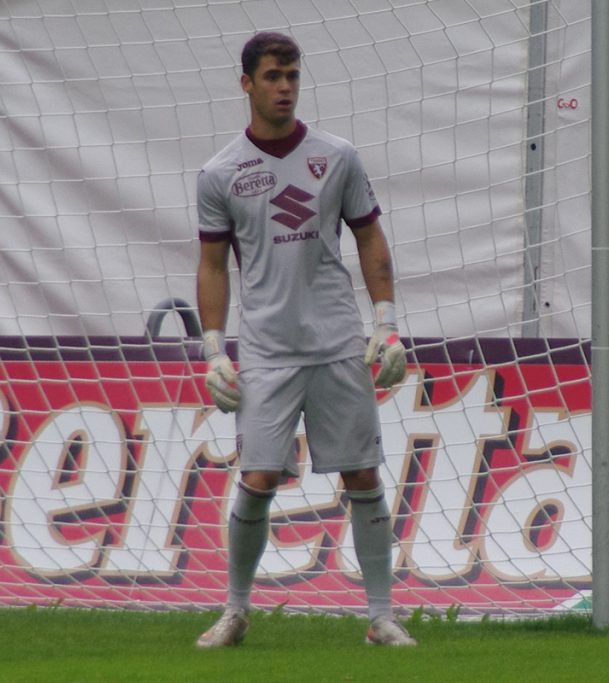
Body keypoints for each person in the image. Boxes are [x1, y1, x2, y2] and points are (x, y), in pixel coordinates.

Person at [194, 31, 415, 648]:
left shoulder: (336, 156)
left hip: (338, 342)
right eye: (272, 76)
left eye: (292, 75)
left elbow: (369, 238)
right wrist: (213, 351)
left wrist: (387, 323)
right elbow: (212, 265)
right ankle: (235, 611)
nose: (285, 87)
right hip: (266, 349)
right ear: (247, 84)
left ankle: (380, 618)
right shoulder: (219, 173)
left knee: (364, 474)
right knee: (259, 477)